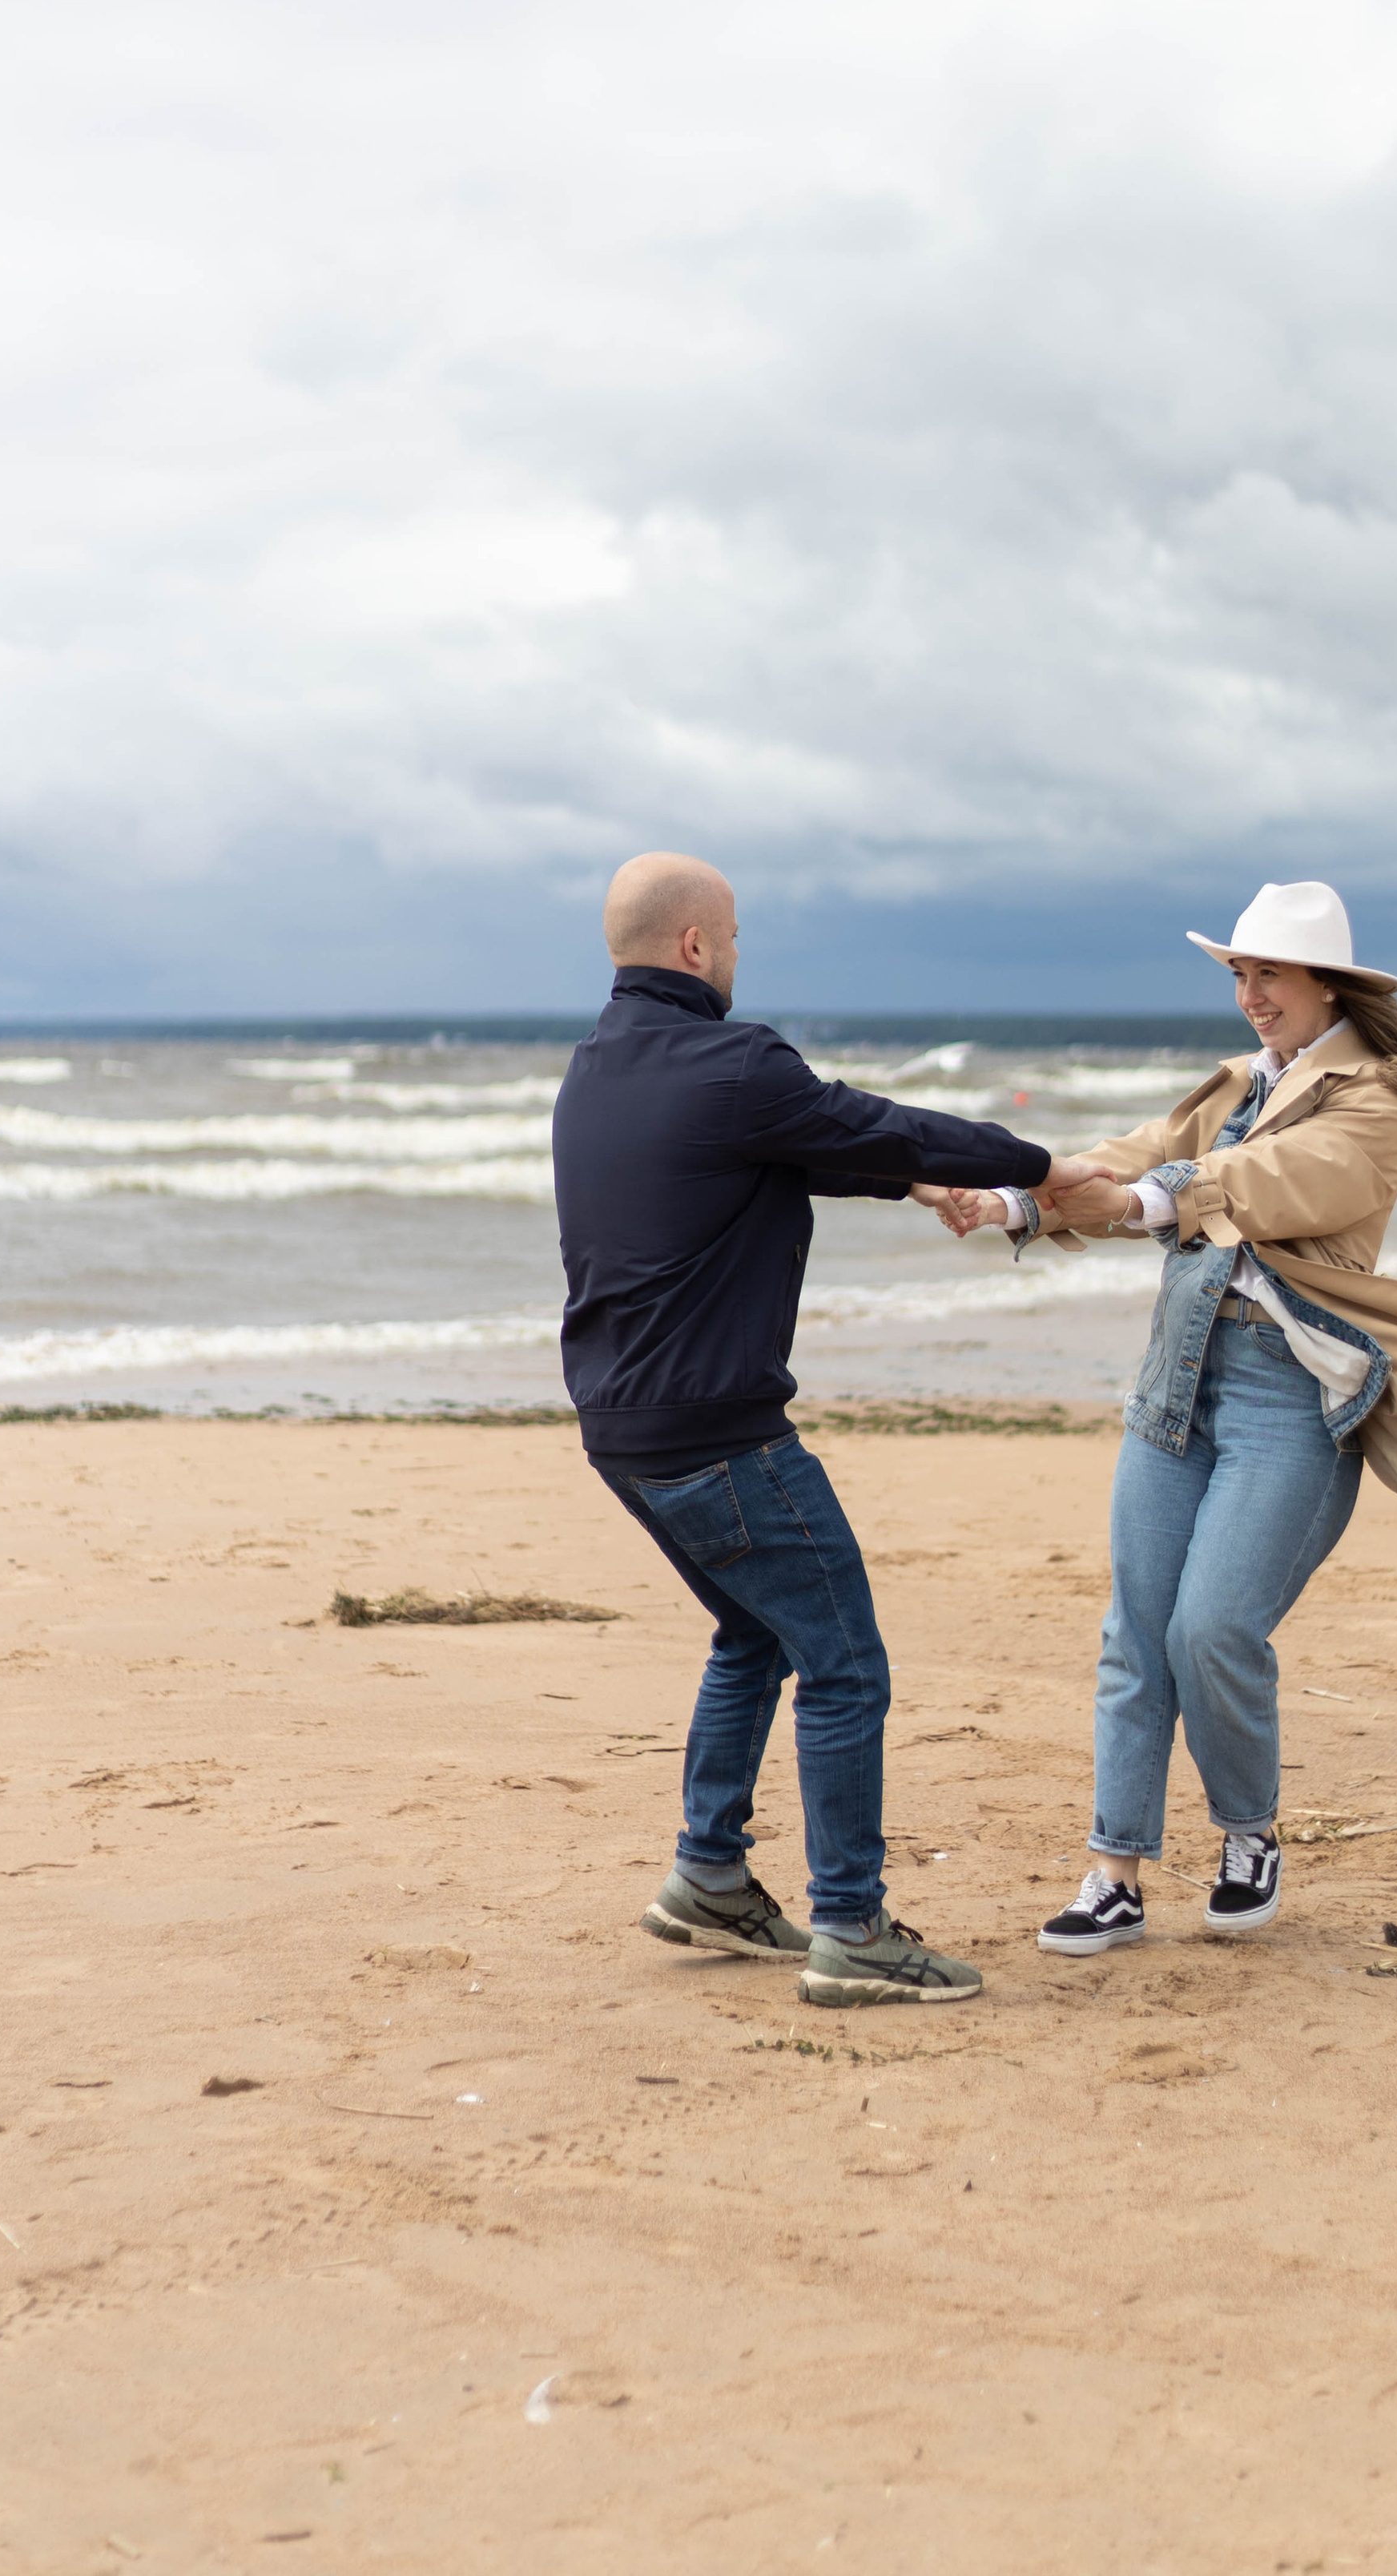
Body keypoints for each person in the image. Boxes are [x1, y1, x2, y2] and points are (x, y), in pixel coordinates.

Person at [932, 880, 1397, 1955]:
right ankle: (1113, 1873)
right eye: (1241, 975)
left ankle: (1249, 1835)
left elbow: (1269, 1183)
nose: (1250, 995)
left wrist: (1150, 1198)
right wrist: (1012, 1201)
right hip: (1176, 1386)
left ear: (1325, 984)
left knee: (1213, 1631)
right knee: (1136, 1635)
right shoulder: (1238, 1082)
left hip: (1288, 1403)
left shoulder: (1373, 1101)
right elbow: (1135, 1151)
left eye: (1270, 975)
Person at [553, 851, 1088, 2009]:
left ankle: (709, 1876)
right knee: (842, 1666)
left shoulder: (598, 1067)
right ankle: (853, 1927)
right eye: (735, 934)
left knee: (753, 1635)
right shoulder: (735, 1060)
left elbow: (786, 1152)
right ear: (696, 946)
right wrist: (1047, 1165)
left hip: (621, 1432)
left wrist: (907, 1187)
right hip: (720, 1437)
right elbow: (866, 1122)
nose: (739, 953)